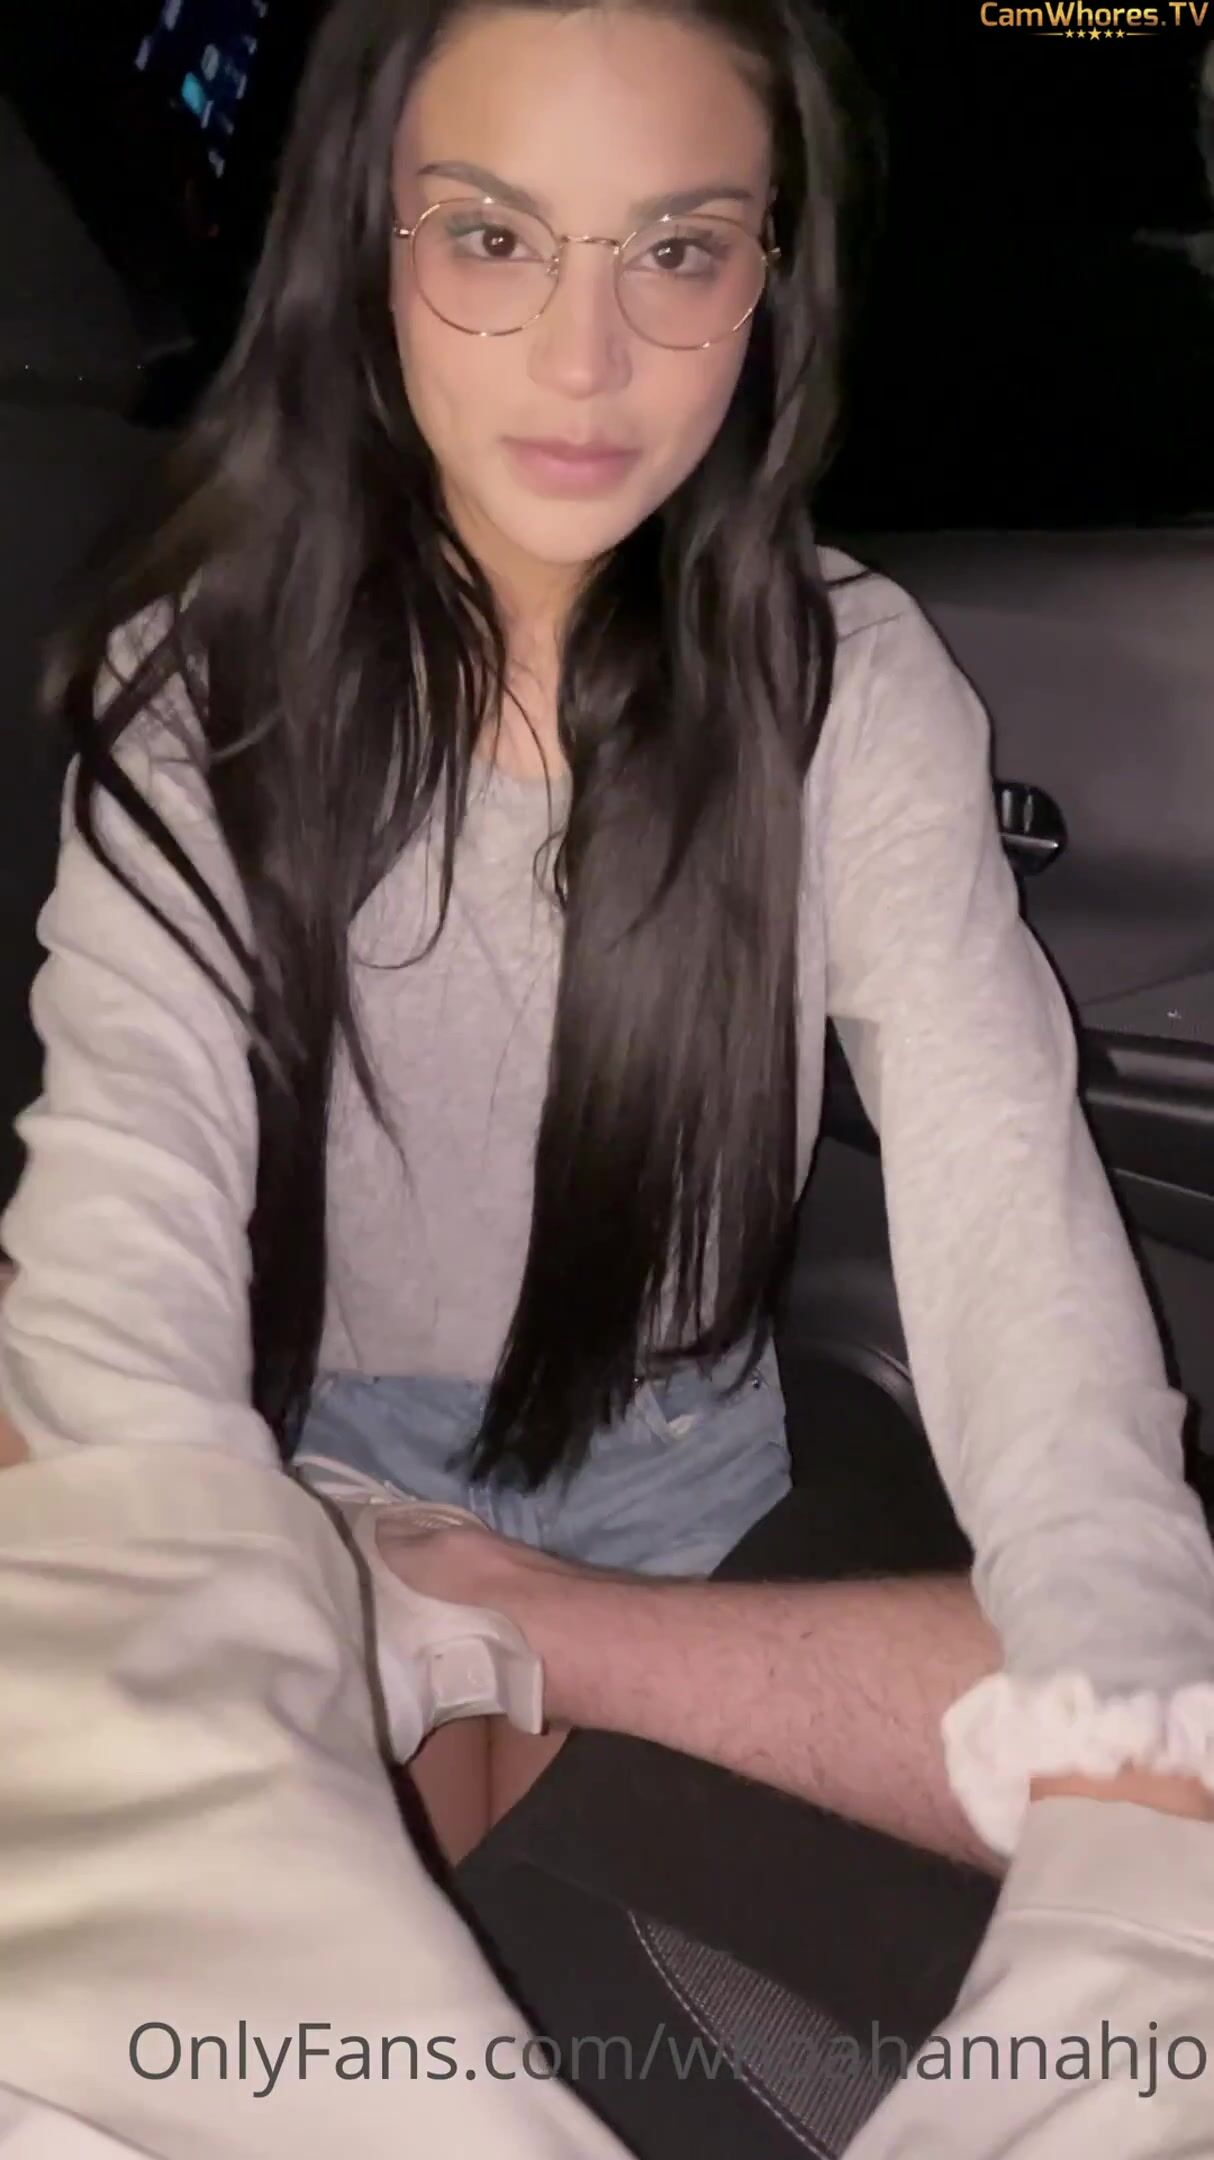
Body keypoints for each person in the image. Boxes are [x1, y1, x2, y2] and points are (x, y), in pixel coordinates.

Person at [1, 0, 1213, 2147]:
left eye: (675, 248)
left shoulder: (846, 685)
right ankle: (430, 1631)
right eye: (492, 237)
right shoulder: (197, 688)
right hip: (282, 1458)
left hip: (674, 1480)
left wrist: (1143, 1752)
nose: (586, 358)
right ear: (369, 246)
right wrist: (216, 1585)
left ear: (766, 274)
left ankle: (488, 1631)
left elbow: (1004, 1217)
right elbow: (123, 1250)